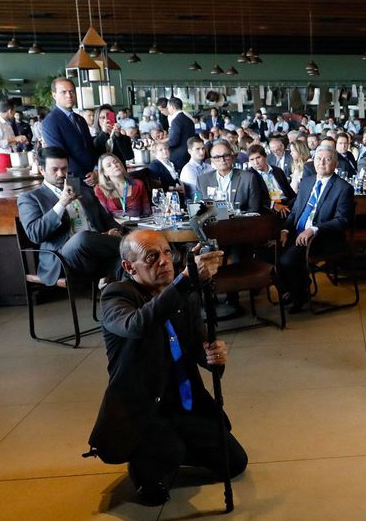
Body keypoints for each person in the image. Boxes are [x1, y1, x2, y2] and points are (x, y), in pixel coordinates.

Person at [90, 230, 245, 506]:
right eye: (151, 256)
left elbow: (196, 343)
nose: (164, 261)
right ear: (129, 267)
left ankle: (175, 445)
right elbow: (137, 324)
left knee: (235, 462)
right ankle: (147, 456)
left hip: (183, 401)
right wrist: (185, 280)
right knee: (154, 494)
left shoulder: (183, 295)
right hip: (144, 409)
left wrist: (213, 355)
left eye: (166, 253)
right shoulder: (117, 296)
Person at [17, 147, 124, 287]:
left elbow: (108, 221)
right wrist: (62, 203)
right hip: (62, 258)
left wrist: (115, 232)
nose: (61, 174)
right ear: (42, 170)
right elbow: (35, 234)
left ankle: (119, 302)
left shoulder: (85, 192)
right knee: (82, 238)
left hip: (96, 252)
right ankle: (131, 245)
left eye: (64, 168)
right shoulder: (31, 198)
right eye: (54, 169)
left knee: (129, 264)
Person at [277, 145, 354, 313]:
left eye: (327, 159)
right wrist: (285, 230)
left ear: (335, 164)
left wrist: (314, 229)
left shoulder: (343, 188)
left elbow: (342, 220)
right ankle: (294, 289)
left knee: (287, 260)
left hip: (321, 238)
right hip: (296, 233)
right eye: (319, 159)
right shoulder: (307, 182)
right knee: (268, 255)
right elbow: (296, 211)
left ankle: (300, 296)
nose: (322, 163)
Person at [40, 78, 97, 182]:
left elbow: (90, 147)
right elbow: (59, 154)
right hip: (72, 178)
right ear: (54, 95)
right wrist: (85, 175)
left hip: (92, 175)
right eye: (63, 92)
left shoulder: (80, 119)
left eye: (71, 91)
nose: (69, 95)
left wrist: (95, 170)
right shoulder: (50, 121)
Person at [197, 141, 270, 214]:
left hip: (240, 222)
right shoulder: (202, 180)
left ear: (232, 157)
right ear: (212, 160)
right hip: (212, 223)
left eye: (226, 156)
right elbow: (199, 209)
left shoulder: (248, 178)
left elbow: (253, 210)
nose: (222, 160)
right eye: (217, 157)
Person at [95, 152, 150, 218]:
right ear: (104, 173)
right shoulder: (100, 189)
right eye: (109, 165)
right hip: (115, 227)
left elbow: (147, 211)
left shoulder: (138, 184)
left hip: (140, 225)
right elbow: (103, 216)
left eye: (116, 162)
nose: (114, 165)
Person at [0, 99, 26, 174]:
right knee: (6, 184)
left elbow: (10, 140)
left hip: (12, 156)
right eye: (14, 111)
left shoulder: (7, 123)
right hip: (2, 157)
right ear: (10, 111)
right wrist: (15, 139)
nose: (14, 114)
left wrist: (17, 140)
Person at [179, 137, 211, 202]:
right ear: (190, 151)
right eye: (197, 149)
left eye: (203, 148)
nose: (202, 152)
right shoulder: (188, 170)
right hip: (196, 204)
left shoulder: (209, 166)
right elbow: (197, 192)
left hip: (211, 202)